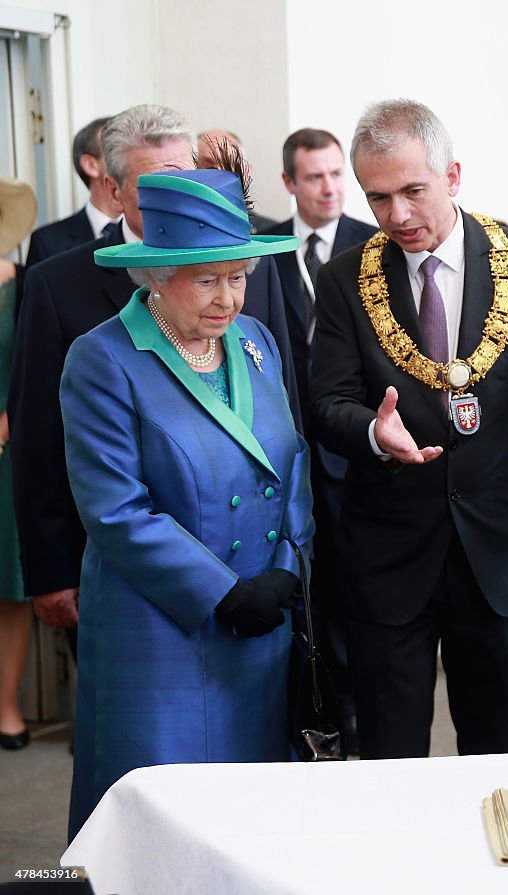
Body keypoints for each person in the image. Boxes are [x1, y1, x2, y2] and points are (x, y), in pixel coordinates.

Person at [311, 99, 508, 760]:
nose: (399, 216)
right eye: (378, 199)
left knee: (495, 755)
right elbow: (327, 403)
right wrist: (376, 434)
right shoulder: (345, 281)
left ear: (453, 175)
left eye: (414, 191)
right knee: (391, 758)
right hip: (390, 560)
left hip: (495, 554)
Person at [60, 167, 313, 841]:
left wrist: (289, 564)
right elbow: (116, 510)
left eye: (239, 276)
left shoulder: (255, 342)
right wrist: (223, 592)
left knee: (249, 820)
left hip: (262, 626)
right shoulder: (104, 358)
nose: (228, 298)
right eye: (208, 279)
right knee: (164, 822)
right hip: (164, 634)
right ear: (157, 275)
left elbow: (290, 458)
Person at [8, 104, 299, 659]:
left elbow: (286, 423)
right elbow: (38, 438)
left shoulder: (249, 279)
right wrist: (49, 571)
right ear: (114, 191)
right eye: (153, 183)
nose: (224, 295)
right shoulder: (57, 283)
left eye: (183, 176)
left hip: (257, 571)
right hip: (132, 575)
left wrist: (292, 557)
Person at [261, 129, 377, 752]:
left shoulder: (376, 243)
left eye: (337, 174)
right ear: (290, 184)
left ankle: (358, 711)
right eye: (315, 177)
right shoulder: (266, 253)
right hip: (292, 453)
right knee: (312, 588)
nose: (330, 187)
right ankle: (317, 711)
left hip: (360, 454)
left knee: (359, 587)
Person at [0, 176, 36, 750]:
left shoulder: (17, 281)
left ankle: (5, 702)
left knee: (11, 581)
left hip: (6, 447)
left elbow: (30, 361)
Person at [25, 117, 120, 269]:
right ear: (90, 165)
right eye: (118, 150)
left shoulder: (153, 232)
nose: (129, 160)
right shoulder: (48, 243)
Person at [197, 129, 278, 231]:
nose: (222, 177)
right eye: (210, 168)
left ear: (247, 172)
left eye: (231, 167)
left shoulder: (272, 234)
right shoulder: (177, 233)